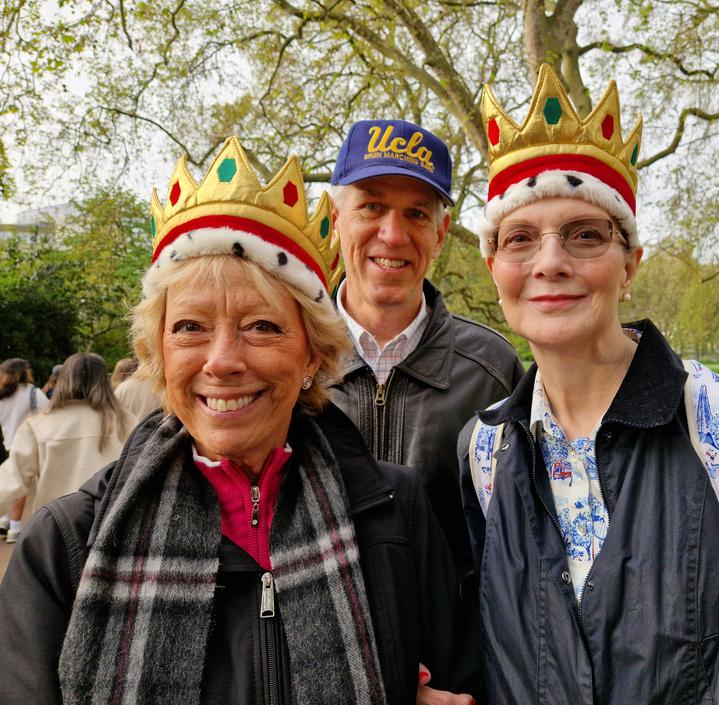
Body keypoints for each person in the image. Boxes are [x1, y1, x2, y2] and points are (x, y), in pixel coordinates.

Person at [458, 65, 719, 704]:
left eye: (584, 234)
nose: (550, 261)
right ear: (495, 269)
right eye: (520, 238)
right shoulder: (483, 451)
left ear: (629, 263)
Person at [0, 137, 479, 705]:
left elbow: (459, 682)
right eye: (189, 328)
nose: (223, 361)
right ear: (157, 353)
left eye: (262, 327)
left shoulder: (395, 513)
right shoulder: (67, 541)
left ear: (312, 356)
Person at [329, 119, 524, 580]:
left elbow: (518, 551)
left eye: (416, 214)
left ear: (441, 232)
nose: (393, 235)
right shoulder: (285, 362)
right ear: (336, 221)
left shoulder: (492, 372)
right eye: (372, 206)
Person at [0, 352, 135, 515]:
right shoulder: (126, 421)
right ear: (103, 381)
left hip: (55, 526)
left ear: (63, 379)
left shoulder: (38, 424)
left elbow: (10, 481)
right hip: (110, 522)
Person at [0, 358, 49, 543]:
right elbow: (48, 413)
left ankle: (3, 521)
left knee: (11, 479)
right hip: (29, 441)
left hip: (9, 442)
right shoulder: (32, 393)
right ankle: (14, 527)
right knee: (22, 485)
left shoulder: (2, 395)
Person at [113, 357, 164, 422]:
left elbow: (114, 416)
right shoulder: (158, 386)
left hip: (131, 430)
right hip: (153, 428)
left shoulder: (123, 388)